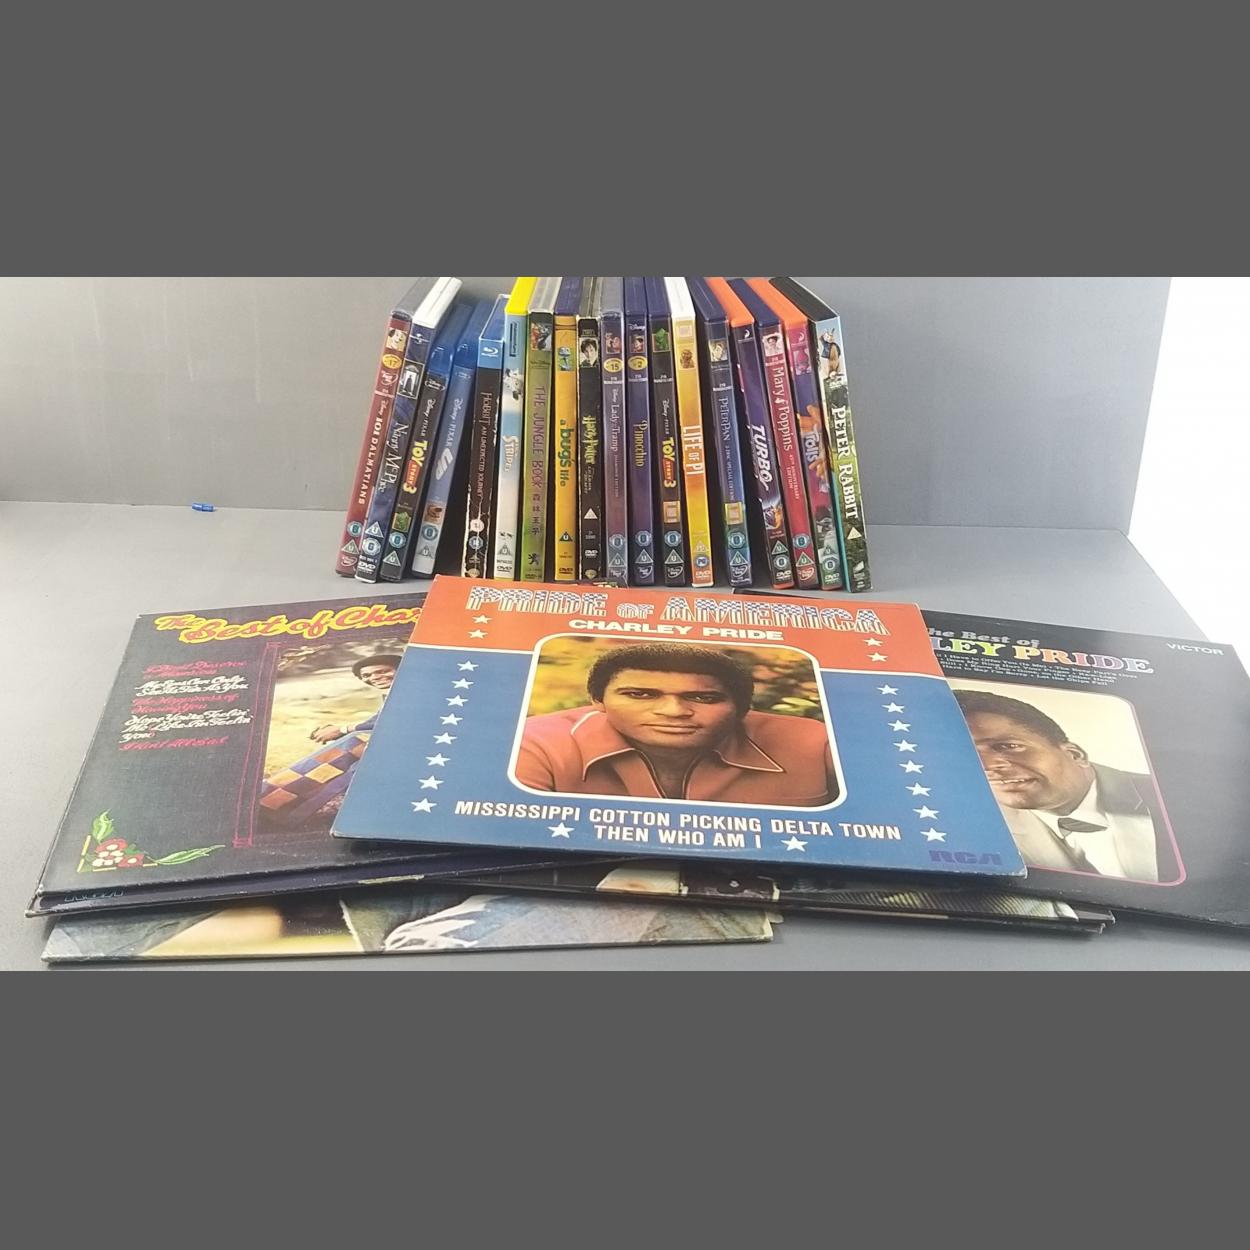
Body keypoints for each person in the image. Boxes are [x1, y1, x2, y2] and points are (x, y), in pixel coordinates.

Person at [516, 643, 837, 805]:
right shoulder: (537, 743)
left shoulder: (815, 743)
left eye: (703, 698)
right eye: (640, 694)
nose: (673, 711)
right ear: (597, 699)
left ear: (742, 708)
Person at [953, 689, 1178, 883]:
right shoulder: (974, 828)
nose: (985, 766)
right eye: (964, 753)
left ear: (1075, 754)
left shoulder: (1171, 795)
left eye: (1007, 746)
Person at [310, 654, 402, 744]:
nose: (374, 677)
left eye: (383, 671)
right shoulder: (392, 694)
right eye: (366, 675)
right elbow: (376, 721)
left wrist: (342, 729)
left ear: (401, 670)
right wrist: (338, 731)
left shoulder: (407, 693)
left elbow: (389, 724)